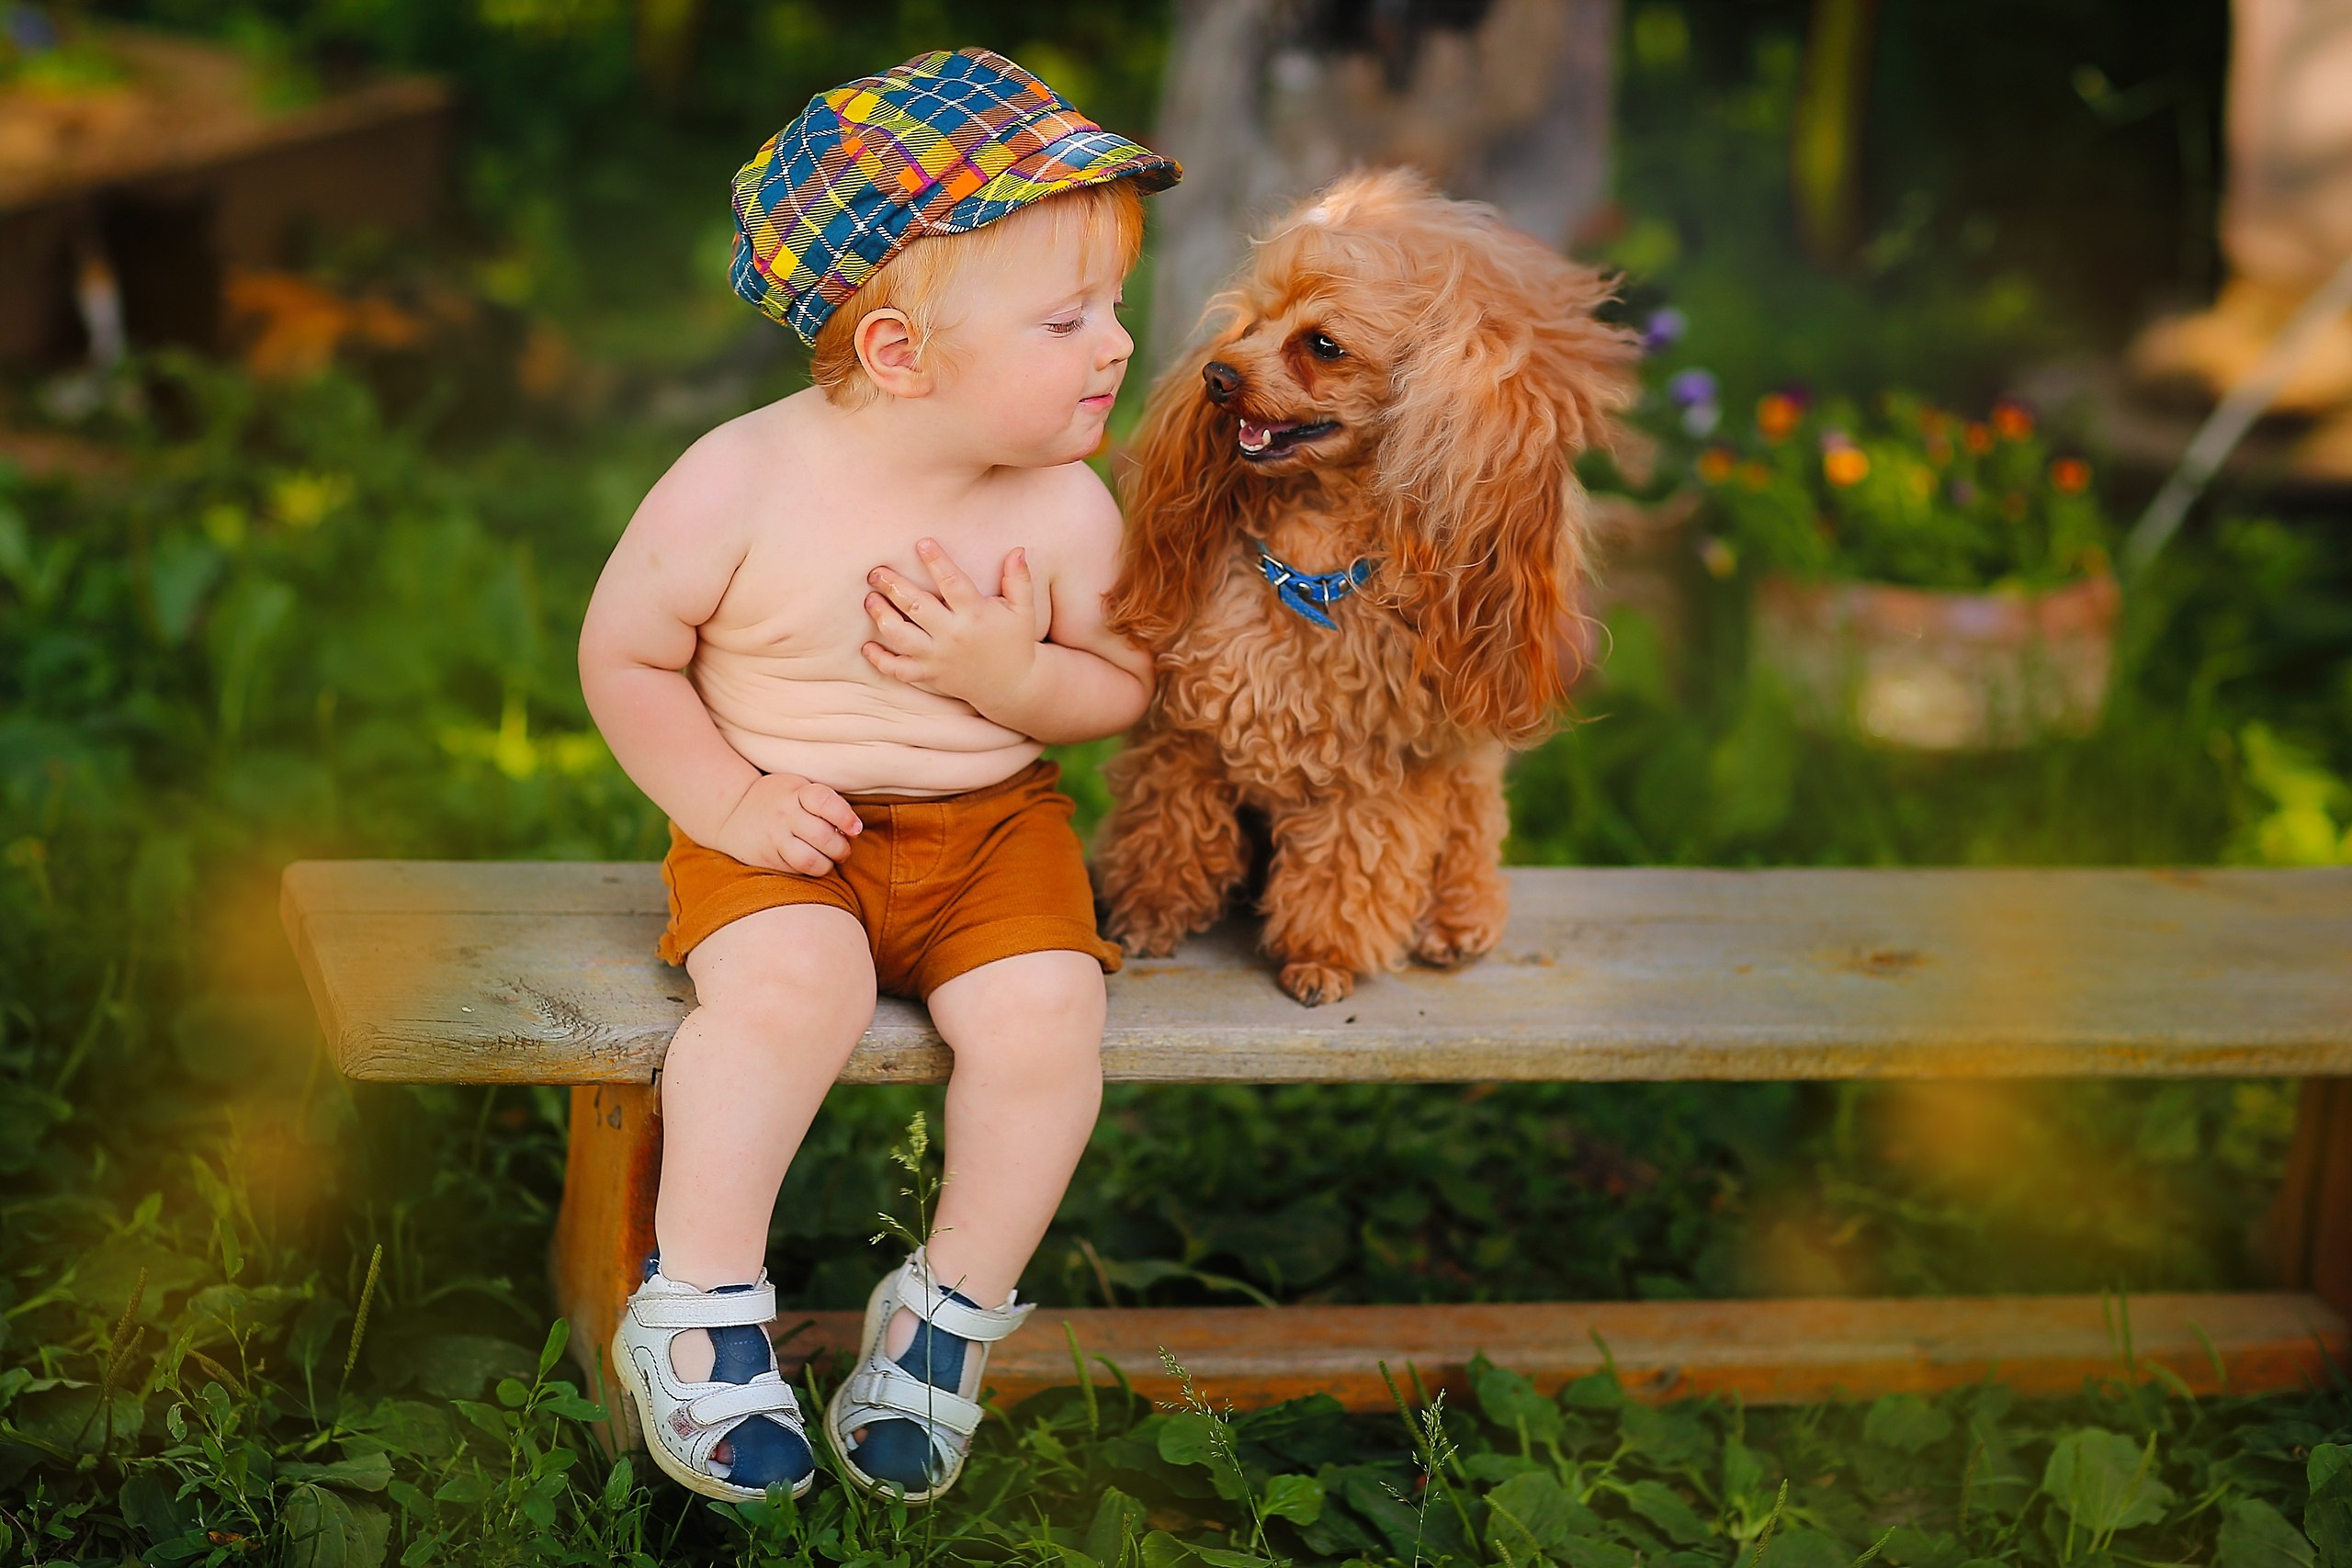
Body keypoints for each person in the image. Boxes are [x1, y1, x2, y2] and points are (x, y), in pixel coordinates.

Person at [576, 48, 1177, 1505]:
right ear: (901, 353)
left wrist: (1008, 682)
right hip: (783, 822)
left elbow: (1120, 680)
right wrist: (727, 804)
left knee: (1050, 1017)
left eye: (1111, 308)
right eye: (1064, 318)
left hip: (995, 830)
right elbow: (625, 658)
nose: (1113, 345)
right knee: (794, 994)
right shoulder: (741, 481)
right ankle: (701, 1307)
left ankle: (946, 1316)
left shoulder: (1064, 501)